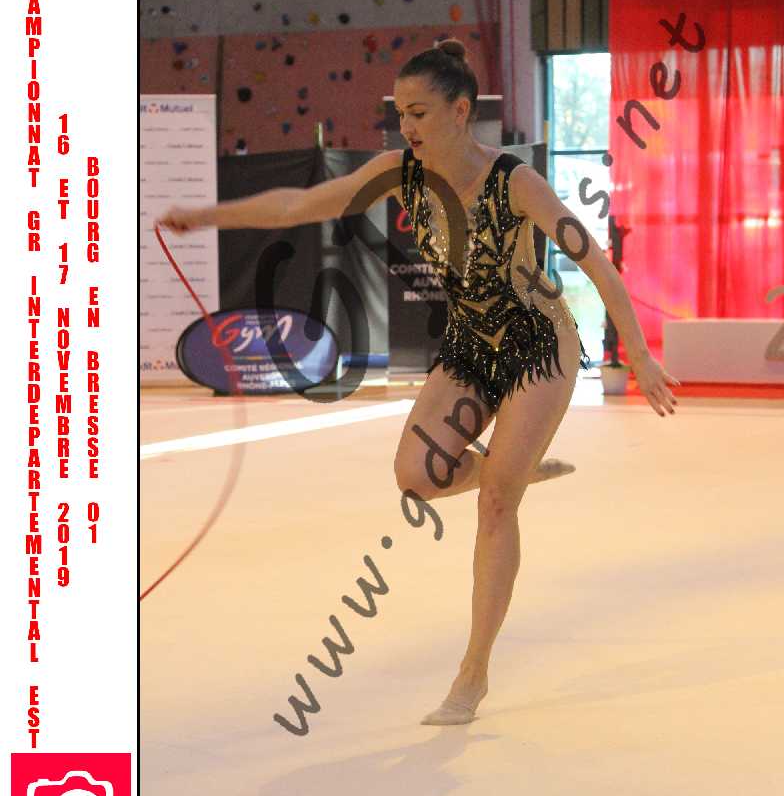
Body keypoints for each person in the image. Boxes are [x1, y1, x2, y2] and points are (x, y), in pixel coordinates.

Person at [158, 38, 680, 726]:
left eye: (420, 113)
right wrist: (208, 216)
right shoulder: (397, 172)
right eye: (400, 113)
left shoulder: (514, 181)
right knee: (416, 476)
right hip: (470, 343)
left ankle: (473, 673)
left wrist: (639, 354)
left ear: (461, 111)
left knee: (496, 506)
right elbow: (298, 206)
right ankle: (511, 468)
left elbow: (596, 261)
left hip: (537, 344)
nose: (406, 126)